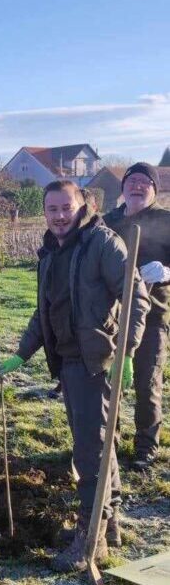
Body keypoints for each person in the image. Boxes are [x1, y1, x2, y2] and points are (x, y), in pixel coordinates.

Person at [0, 180, 149, 572]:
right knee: (98, 446)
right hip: (66, 363)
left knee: (89, 452)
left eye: (66, 207)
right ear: (45, 212)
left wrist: (126, 353)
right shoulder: (50, 251)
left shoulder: (102, 243)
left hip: (94, 363)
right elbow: (43, 310)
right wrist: (22, 352)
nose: (60, 215)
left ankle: (90, 538)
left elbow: (137, 297)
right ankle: (109, 521)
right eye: (52, 209)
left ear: (82, 205)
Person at [104, 162, 170, 471]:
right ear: (123, 188)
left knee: (147, 383)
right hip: (111, 317)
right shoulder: (107, 222)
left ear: (154, 189)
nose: (138, 185)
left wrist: (167, 272)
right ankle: (109, 443)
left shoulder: (165, 221)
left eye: (146, 182)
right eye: (132, 181)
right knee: (109, 383)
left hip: (153, 316)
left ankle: (146, 447)